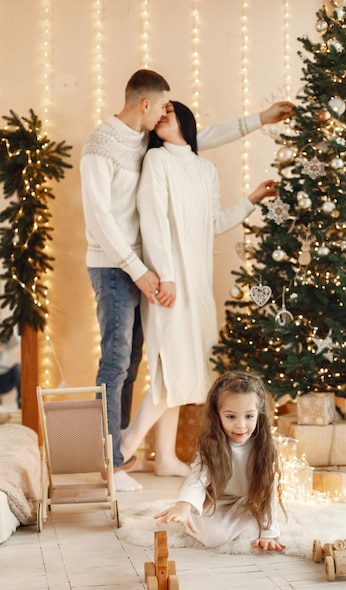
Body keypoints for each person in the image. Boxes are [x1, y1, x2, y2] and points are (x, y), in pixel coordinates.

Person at [80, 68, 293, 492]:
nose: (164, 113)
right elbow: (110, 220)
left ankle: (153, 456)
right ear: (147, 105)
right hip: (122, 266)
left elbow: (203, 138)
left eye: (170, 111)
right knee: (123, 359)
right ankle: (113, 455)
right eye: (162, 106)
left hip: (152, 271)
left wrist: (260, 121)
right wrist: (152, 275)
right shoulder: (111, 148)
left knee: (145, 361)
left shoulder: (153, 145)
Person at [120, 100, 282, 483]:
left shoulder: (205, 169)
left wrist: (253, 199)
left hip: (198, 284)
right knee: (168, 369)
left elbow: (215, 222)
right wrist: (166, 275)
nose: (161, 116)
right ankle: (124, 447)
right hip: (167, 281)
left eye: (169, 112)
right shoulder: (156, 162)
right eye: (158, 113)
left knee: (189, 368)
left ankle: (165, 460)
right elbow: (153, 222)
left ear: (187, 121)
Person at [154, 371, 286, 552]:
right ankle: (194, 515)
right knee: (211, 536)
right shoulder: (212, 444)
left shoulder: (264, 445)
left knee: (254, 531)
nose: (241, 425)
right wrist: (183, 504)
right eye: (231, 417)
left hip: (247, 502)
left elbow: (267, 489)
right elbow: (198, 478)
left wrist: (269, 532)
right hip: (218, 502)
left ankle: (252, 526)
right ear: (217, 415)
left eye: (249, 416)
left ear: (259, 414)